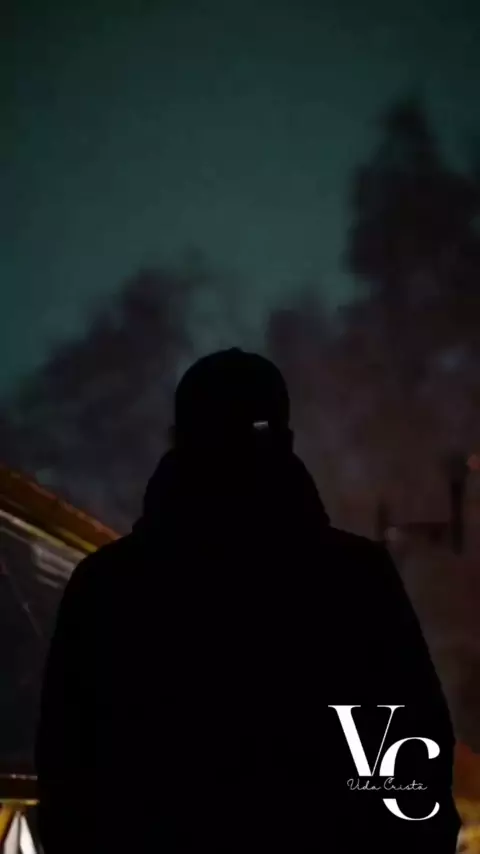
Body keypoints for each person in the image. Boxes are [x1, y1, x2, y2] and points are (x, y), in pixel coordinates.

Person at [35, 348, 460, 853]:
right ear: (285, 442)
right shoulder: (356, 578)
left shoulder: (107, 586)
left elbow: (68, 774)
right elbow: (411, 765)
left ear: (179, 440)